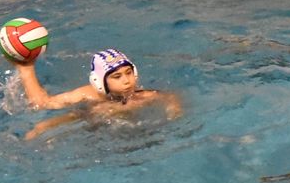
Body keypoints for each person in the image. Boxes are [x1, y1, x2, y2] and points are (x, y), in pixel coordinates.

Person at [14, 47, 181, 140]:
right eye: (117, 76)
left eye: (129, 73)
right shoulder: (86, 95)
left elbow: (170, 96)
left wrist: (174, 111)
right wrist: (26, 69)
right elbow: (43, 103)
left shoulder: (141, 96)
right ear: (99, 81)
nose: (127, 81)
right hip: (87, 124)